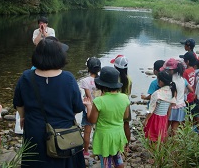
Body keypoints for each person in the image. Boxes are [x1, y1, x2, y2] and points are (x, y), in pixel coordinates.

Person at [13, 38, 85, 168]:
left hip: (35, 130)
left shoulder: (26, 77)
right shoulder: (68, 78)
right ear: (59, 56)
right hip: (63, 134)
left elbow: (19, 103)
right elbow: (77, 107)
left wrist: (23, 117)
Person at [83, 66, 130, 168]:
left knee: (106, 162)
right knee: (117, 158)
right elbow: (125, 116)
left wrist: (89, 106)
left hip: (104, 137)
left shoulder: (99, 101)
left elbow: (92, 120)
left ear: (101, 84)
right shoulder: (124, 98)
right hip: (118, 134)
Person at [144, 70, 176, 142]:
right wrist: (167, 118)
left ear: (160, 81)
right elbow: (170, 107)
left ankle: (154, 152)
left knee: (153, 138)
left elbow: (151, 109)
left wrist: (146, 120)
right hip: (164, 117)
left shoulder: (157, 93)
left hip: (155, 118)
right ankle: (161, 151)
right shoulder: (172, 92)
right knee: (161, 136)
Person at [79, 57, 101, 158]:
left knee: (87, 131)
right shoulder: (102, 80)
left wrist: (89, 107)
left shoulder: (85, 81)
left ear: (88, 68)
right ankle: (98, 149)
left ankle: (86, 151)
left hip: (89, 108)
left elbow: (88, 96)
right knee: (98, 130)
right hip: (100, 107)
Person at [110, 55, 132, 149]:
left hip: (115, 105)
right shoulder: (129, 79)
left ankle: (115, 145)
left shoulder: (114, 79)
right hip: (126, 104)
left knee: (114, 125)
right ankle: (126, 146)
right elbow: (129, 92)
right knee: (126, 125)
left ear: (115, 67)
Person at [167, 62, 194, 134]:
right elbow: (191, 90)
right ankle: (174, 144)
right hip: (181, 106)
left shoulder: (170, 79)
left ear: (173, 70)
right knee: (175, 129)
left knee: (165, 128)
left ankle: (163, 143)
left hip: (172, 106)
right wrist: (184, 92)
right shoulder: (183, 79)